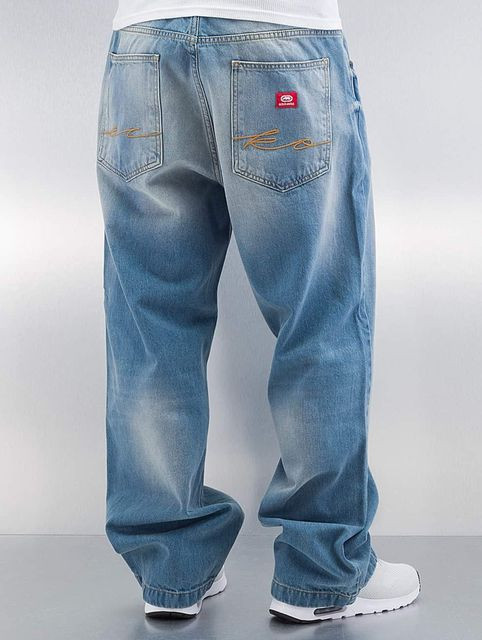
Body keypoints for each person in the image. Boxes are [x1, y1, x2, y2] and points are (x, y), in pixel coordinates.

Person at [96, 0, 421, 624]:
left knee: (149, 322)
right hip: (279, 36)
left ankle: (171, 567)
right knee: (319, 315)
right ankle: (321, 571)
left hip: (143, 43)